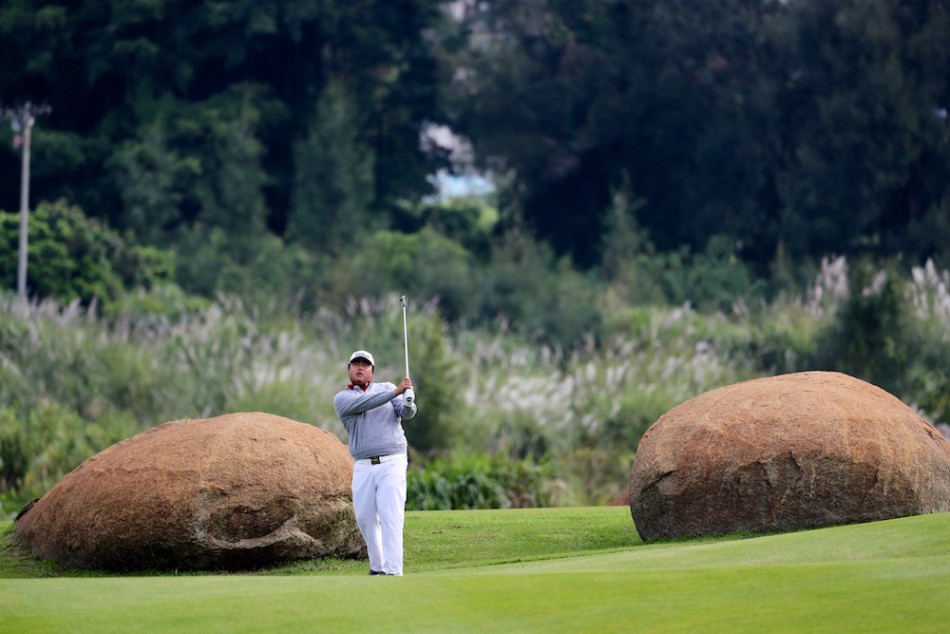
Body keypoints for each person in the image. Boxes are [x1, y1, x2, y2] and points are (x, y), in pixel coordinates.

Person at [333, 349, 416, 576]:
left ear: (372, 371)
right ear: (349, 369)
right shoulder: (343, 399)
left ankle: (392, 570)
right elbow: (366, 403)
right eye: (356, 363)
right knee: (365, 517)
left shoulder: (388, 388)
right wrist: (396, 391)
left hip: (392, 460)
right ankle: (377, 566)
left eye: (365, 364)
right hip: (362, 464)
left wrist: (408, 400)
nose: (360, 367)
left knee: (391, 515)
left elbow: (406, 413)